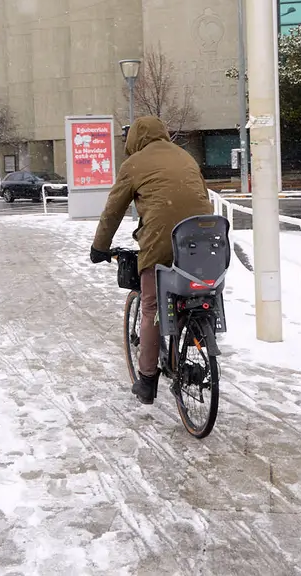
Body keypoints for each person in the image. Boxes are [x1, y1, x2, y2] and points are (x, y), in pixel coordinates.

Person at [90, 116, 212, 404]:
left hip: (162, 243)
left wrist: (100, 247)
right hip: (204, 240)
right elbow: (201, 196)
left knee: (152, 308)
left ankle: (147, 382)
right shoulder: (185, 156)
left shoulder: (133, 164)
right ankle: (198, 333)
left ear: (134, 139)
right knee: (200, 290)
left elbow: (113, 211)